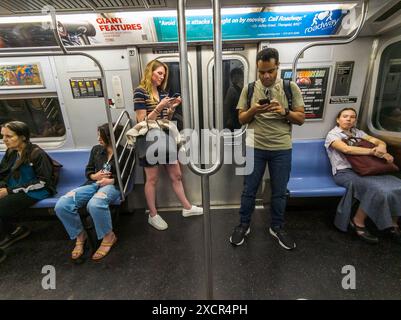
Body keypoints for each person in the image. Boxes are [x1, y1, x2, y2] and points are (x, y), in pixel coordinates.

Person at [229, 48, 305, 249]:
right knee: (249, 190)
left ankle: (277, 227)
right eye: (262, 72)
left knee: (279, 191)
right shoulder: (250, 89)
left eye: (270, 71)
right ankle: (244, 225)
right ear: (257, 69)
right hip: (255, 146)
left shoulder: (291, 87)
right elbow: (241, 119)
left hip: (281, 147)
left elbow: (301, 119)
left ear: (277, 66)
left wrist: (284, 111)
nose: (266, 76)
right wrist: (254, 109)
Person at [133, 59, 203, 231]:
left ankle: (187, 208)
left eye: (163, 74)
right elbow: (141, 121)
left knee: (177, 175)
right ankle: (153, 214)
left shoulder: (163, 94)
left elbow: (165, 120)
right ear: (150, 72)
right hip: (149, 139)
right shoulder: (140, 92)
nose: (162, 77)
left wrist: (170, 110)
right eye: (159, 73)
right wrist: (158, 108)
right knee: (152, 179)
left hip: (165, 137)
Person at [325, 107, 401, 244]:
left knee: (397, 186)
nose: (349, 119)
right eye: (345, 116)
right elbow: (346, 149)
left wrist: (382, 148)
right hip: (345, 173)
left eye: (352, 117)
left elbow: (377, 141)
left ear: (356, 120)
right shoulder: (333, 135)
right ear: (338, 119)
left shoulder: (358, 132)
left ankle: (393, 223)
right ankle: (358, 222)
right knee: (375, 188)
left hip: (366, 170)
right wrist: (372, 152)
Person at [55, 123, 122, 261]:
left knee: (95, 203)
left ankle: (109, 236)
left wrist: (112, 180)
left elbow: (126, 174)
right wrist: (94, 176)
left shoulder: (125, 151)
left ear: (112, 137)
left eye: (101, 136)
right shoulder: (96, 150)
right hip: (93, 183)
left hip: (112, 186)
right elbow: (89, 170)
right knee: (62, 204)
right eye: (98, 135)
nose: (98, 139)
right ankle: (80, 235)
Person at [0, 121, 55, 263]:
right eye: (3, 136)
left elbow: (43, 182)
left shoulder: (37, 154)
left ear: (23, 137)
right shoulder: (11, 152)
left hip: (36, 191)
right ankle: (13, 231)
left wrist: (9, 191)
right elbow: (3, 174)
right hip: (15, 188)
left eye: (9, 136)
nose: (4, 140)